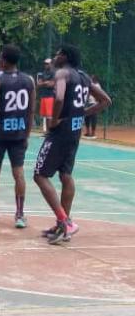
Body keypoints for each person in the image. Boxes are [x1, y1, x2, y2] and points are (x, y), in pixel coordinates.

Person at [33, 45, 111, 244]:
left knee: (40, 175)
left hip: (60, 132)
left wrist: (54, 120)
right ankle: (63, 225)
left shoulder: (62, 74)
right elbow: (105, 101)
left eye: (58, 53)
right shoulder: (84, 77)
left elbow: (59, 97)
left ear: (64, 57)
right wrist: (82, 114)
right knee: (65, 175)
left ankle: (64, 221)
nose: (55, 56)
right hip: (75, 131)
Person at [0, 45, 35, 228]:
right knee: (18, 173)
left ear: (3, 60)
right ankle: (19, 215)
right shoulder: (29, 80)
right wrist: (26, 135)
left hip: (1, 132)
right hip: (19, 132)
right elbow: (31, 111)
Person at [37, 59, 56, 133]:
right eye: (45, 64)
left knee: (49, 116)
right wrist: (46, 83)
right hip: (43, 96)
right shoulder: (43, 73)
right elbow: (39, 84)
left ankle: (50, 132)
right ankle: (47, 132)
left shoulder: (54, 73)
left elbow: (51, 84)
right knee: (44, 115)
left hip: (50, 96)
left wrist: (43, 83)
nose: (46, 65)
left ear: (51, 64)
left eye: (47, 64)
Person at [84, 75, 100, 139]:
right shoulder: (89, 85)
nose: (91, 79)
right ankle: (88, 132)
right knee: (87, 118)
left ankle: (93, 133)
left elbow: (99, 95)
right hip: (88, 103)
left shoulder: (97, 86)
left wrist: (97, 101)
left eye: (92, 78)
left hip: (94, 104)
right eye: (91, 78)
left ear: (95, 79)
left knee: (93, 118)